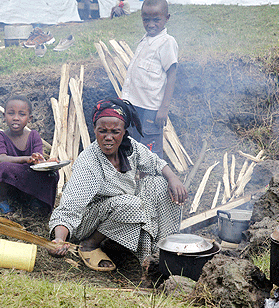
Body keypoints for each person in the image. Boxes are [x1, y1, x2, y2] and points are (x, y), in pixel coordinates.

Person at [48, 98, 187, 271]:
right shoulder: (89, 162)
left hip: (122, 209)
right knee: (132, 204)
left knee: (160, 183)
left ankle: (163, 250)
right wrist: (60, 239)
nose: (108, 137)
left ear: (123, 132)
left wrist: (173, 178)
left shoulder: (130, 148)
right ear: (94, 131)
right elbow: (70, 208)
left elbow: (156, 163)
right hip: (87, 221)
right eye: (102, 131)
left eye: (115, 132)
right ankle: (90, 245)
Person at [121, 0, 177, 159]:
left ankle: (152, 182)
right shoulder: (145, 40)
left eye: (156, 19)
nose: (150, 24)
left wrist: (164, 108)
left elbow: (172, 75)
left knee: (150, 152)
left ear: (167, 18)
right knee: (134, 145)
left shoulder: (167, 42)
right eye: (146, 19)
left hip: (152, 110)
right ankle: (136, 180)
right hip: (135, 107)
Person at [0, 95, 59, 216]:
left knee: (52, 173)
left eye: (22, 114)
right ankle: (1, 199)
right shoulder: (0, 136)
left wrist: (47, 163)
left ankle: (35, 200)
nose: (16, 118)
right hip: (9, 182)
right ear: (4, 116)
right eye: (11, 113)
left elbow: (38, 162)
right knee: (3, 167)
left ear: (29, 118)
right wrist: (27, 159)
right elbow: (1, 159)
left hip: (28, 178)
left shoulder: (34, 135)